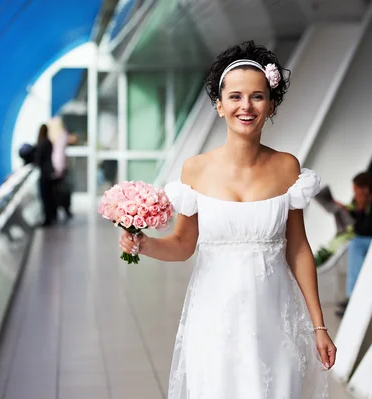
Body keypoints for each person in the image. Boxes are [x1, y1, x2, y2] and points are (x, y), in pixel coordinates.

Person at [118, 41, 334, 398]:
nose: (245, 106)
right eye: (234, 97)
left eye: (257, 96)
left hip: (274, 319)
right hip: (214, 319)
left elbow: (298, 249)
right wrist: (142, 244)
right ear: (219, 105)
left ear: (271, 105)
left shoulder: (287, 167)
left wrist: (319, 326)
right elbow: (183, 245)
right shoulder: (195, 170)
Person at [336, 172, 372, 317]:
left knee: (356, 244)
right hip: (369, 239)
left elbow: (366, 229)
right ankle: (352, 295)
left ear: (365, 188)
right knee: (355, 243)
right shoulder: (368, 202)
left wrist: (360, 208)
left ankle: (353, 296)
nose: (355, 193)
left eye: (356, 189)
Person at [34, 124, 57, 226]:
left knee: (45, 196)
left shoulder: (42, 143)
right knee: (50, 195)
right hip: (50, 171)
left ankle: (47, 218)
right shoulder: (49, 142)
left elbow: (38, 159)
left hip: (44, 173)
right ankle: (51, 216)